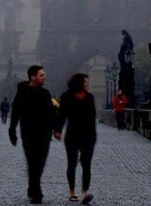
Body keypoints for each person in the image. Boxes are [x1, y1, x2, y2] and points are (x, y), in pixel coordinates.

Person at [8, 65, 56, 204]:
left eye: (44, 75)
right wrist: (12, 130)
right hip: (28, 133)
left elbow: (52, 112)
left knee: (40, 163)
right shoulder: (22, 93)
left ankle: (32, 186)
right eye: (41, 75)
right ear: (33, 77)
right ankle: (37, 192)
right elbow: (15, 112)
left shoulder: (46, 93)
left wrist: (55, 128)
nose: (44, 77)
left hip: (44, 134)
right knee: (32, 162)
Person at [54, 73, 97, 205]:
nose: (87, 83)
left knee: (86, 164)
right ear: (79, 82)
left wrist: (93, 135)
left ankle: (84, 192)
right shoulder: (66, 97)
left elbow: (92, 117)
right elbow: (61, 115)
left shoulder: (89, 97)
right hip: (72, 135)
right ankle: (72, 191)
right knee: (72, 163)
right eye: (85, 81)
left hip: (88, 135)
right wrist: (58, 130)